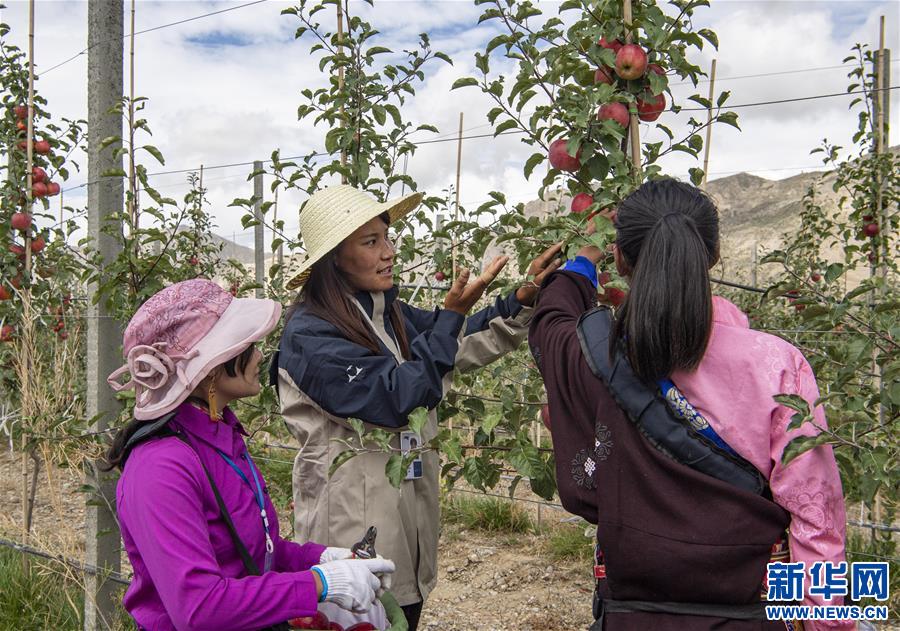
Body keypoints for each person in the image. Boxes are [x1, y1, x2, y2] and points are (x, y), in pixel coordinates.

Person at [529, 179, 851, 630]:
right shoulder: (776, 364)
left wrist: (584, 259)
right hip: (750, 615)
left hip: (631, 618)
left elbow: (551, 321)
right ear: (713, 255)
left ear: (620, 259)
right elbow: (816, 516)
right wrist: (827, 622)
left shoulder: (596, 356)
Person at [271, 184, 562, 630]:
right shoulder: (312, 335)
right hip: (350, 532)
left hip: (404, 520)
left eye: (387, 237)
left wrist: (521, 299)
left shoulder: (386, 314)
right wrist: (450, 317)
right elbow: (394, 398)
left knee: (404, 611)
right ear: (334, 258)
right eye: (371, 242)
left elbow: (454, 341)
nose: (389, 252)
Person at [105, 278, 394, 631]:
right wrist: (318, 583)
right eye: (247, 345)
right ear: (211, 366)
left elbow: (254, 552)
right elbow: (199, 608)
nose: (259, 355)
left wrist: (320, 558)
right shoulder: (161, 468)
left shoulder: (218, 437)